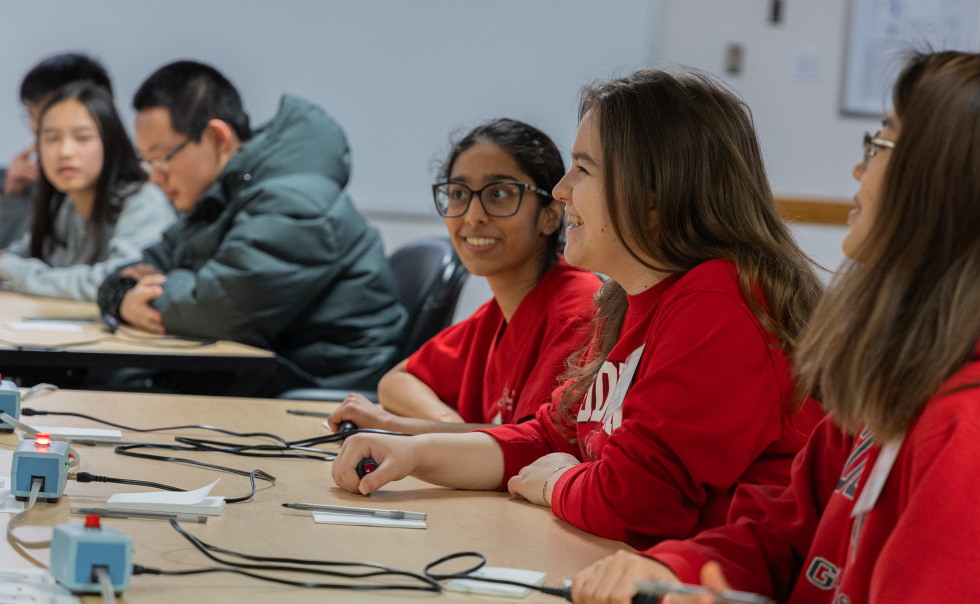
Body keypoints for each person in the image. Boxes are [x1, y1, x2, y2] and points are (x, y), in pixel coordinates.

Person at [332, 68, 825, 550]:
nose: (563, 190)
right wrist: (414, 452)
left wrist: (556, 484)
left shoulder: (720, 302)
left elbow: (637, 501)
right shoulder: (625, 302)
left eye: (583, 169)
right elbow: (549, 437)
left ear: (653, 197)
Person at [571, 50, 980, 604]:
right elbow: (779, 538)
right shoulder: (893, 383)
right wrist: (677, 569)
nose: (859, 168)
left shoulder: (963, 429)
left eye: (880, 144)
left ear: (942, 183)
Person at [97, 60, 406, 396]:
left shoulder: (297, 203)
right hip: (264, 375)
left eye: (162, 157)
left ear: (217, 137)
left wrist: (155, 289)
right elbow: (137, 267)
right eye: (147, 161)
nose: (156, 178)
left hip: (321, 390)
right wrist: (121, 296)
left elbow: (214, 312)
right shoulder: (225, 194)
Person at [327, 119, 602, 434]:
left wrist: (395, 425)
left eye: (498, 193)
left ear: (551, 214)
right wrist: (448, 425)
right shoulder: (496, 316)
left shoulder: (577, 312)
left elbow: (532, 446)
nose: (473, 215)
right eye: (458, 193)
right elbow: (397, 381)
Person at [0, 82, 174, 301]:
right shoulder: (65, 204)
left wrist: (17, 272)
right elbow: (16, 256)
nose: (65, 152)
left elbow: (121, 281)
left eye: (82, 137)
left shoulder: (144, 202)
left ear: (111, 143)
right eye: (52, 138)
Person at [1, 53, 113, 249]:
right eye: (30, 116)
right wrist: (13, 195)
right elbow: (27, 252)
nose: (34, 128)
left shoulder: (134, 194)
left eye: (43, 114)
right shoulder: (37, 177)